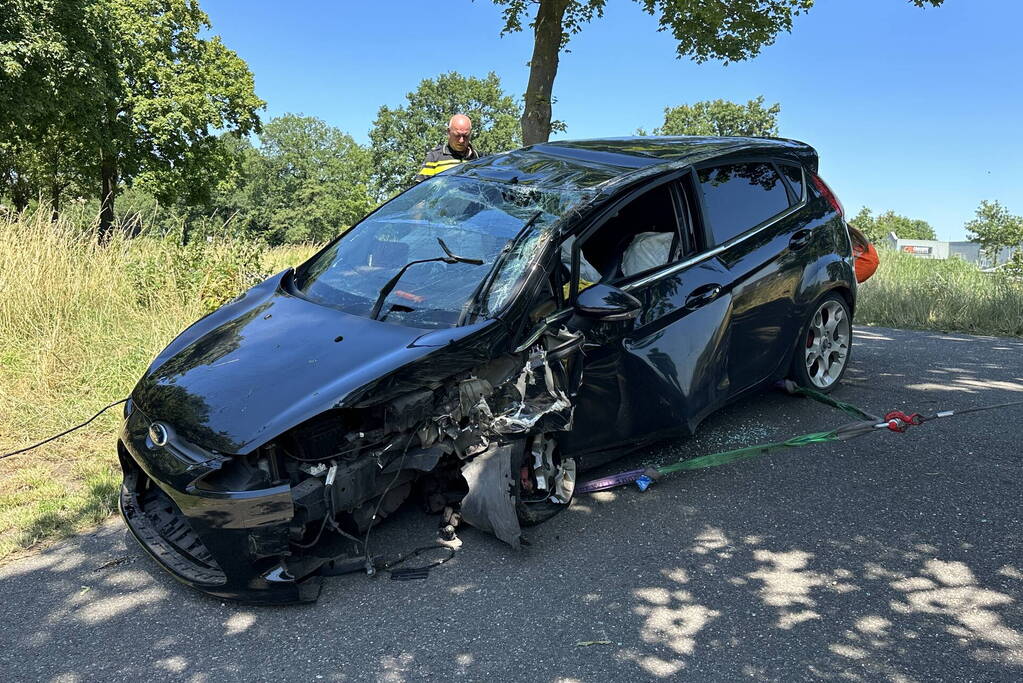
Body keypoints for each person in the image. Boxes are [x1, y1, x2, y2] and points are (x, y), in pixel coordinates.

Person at [414, 114, 481, 183]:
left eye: (465, 136)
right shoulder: (434, 157)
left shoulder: (480, 159)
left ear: (470, 133)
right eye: (457, 135)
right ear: (448, 132)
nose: (461, 140)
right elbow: (421, 190)